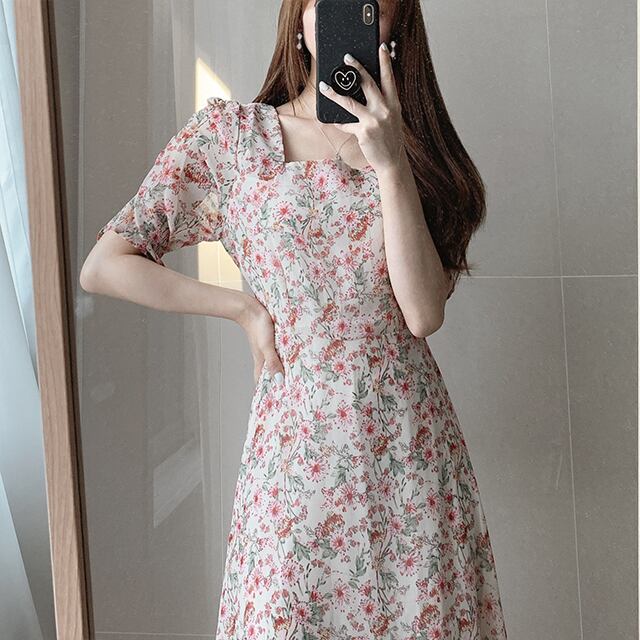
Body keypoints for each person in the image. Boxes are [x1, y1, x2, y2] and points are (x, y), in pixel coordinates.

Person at [80, 1, 508, 638]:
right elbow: (106, 264)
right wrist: (241, 308)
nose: (346, 15)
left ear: (396, 29)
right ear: (299, 19)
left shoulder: (417, 154)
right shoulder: (230, 138)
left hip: (406, 451)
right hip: (294, 454)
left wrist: (391, 162)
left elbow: (422, 314)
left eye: (370, 7)